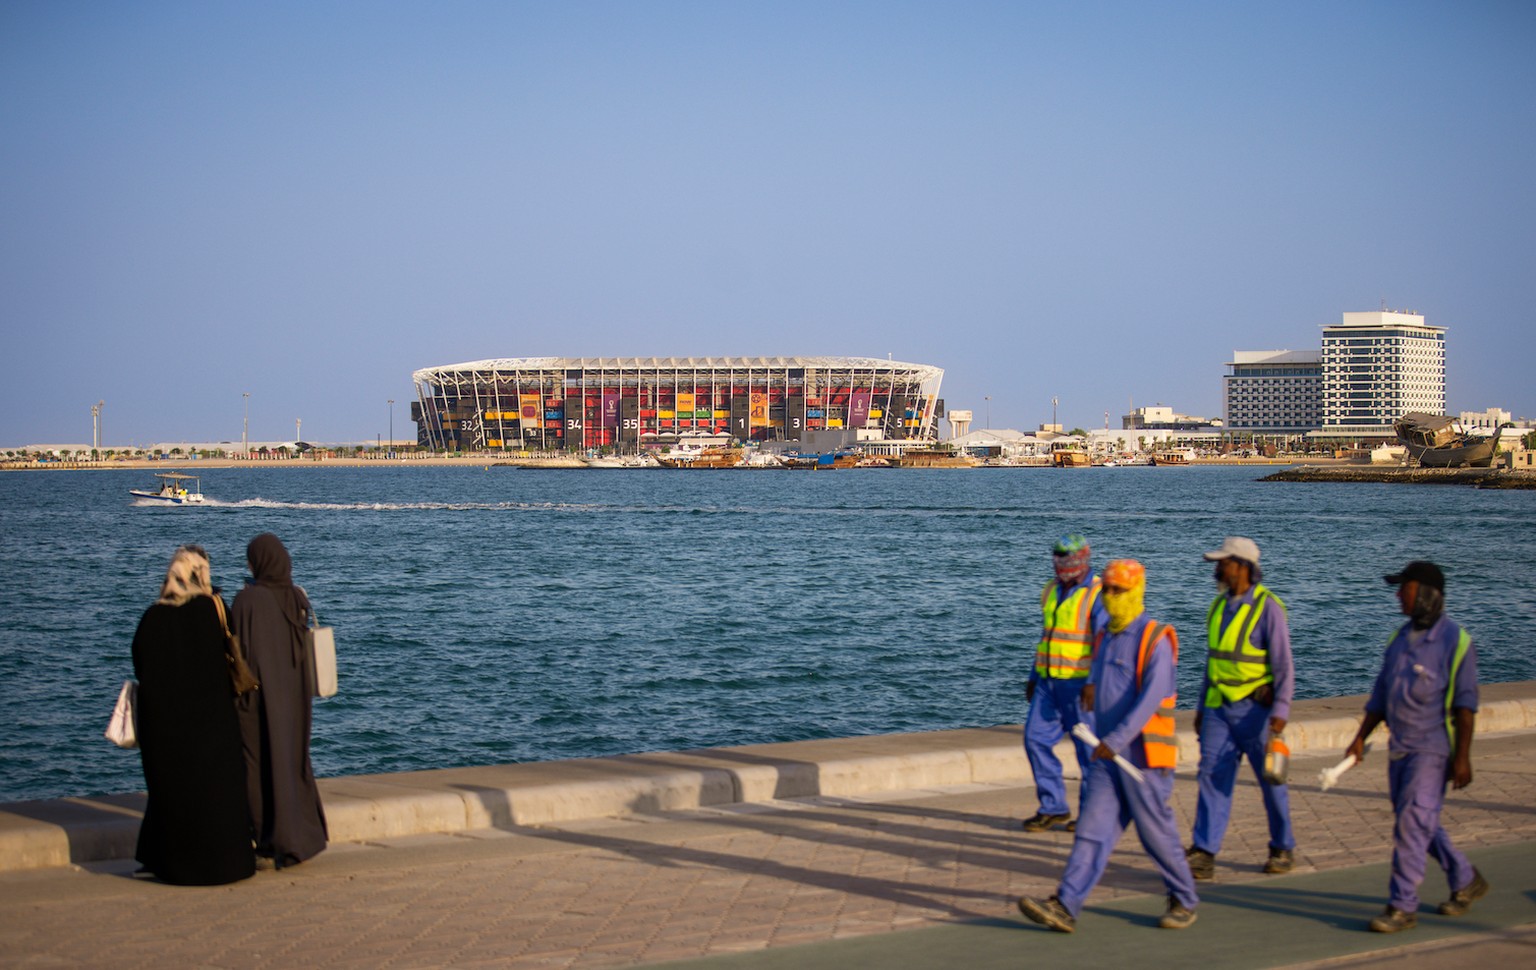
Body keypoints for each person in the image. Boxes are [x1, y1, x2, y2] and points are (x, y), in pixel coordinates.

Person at [1017, 559, 1199, 933]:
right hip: (1107, 756)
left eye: (1119, 591)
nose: (1112, 597)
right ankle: (1065, 905)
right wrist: (1091, 730)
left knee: (1155, 834)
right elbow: (1095, 691)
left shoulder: (1156, 638)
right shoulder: (1106, 637)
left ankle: (1184, 898)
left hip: (1144, 758)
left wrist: (1115, 741)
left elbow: (1150, 701)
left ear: (1136, 593)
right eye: (1109, 591)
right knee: (1092, 832)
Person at [1344, 561, 1487, 933]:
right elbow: (1380, 695)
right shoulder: (1398, 639)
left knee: (1411, 824)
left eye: (1403, 588)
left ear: (1426, 593)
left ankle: (1401, 905)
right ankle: (1465, 877)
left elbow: (1466, 707)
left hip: (1433, 750)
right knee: (1420, 821)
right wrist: (1360, 737)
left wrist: (1463, 759)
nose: (1397, 595)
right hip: (1399, 748)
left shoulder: (1457, 642)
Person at [131, 545, 255, 885]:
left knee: (172, 791)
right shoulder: (212, 611)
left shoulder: (152, 617)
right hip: (212, 721)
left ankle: (173, 863)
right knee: (218, 790)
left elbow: (140, 664)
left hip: (164, 727)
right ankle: (228, 862)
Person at [1187, 536, 1296, 880]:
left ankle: (1282, 846)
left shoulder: (1268, 608)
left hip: (1257, 714)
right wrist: (1202, 707)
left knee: (1271, 781)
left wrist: (1280, 712)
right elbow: (1212, 660)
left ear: (1243, 567)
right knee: (1211, 777)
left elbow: (1283, 666)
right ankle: (1205, 851)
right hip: (1220, 711)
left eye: (1223, 562)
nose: (1217, 569)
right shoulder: (1217, 607)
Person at [233, 533, 328, 869]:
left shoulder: (247, 601)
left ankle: (268, 839)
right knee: (291, 763)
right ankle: (301, 837)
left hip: (257, 700)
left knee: (257, 766)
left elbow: (239, 654)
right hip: (294, 700)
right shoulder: (297, 597)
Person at [1021, 534, 1108, 832]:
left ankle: (1091, 814)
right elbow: (1047, 637)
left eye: (1067, 556)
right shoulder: (1051, 590)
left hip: (1080, 684)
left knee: (1087, 752)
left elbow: (1103, 643)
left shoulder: (1098, 594)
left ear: (1082, 557)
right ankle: (1053, 806)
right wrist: (1034, 676)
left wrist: (1094, 683)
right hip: (1048, 683)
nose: (1061, 562)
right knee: (1034, 739)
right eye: (1057, 555)